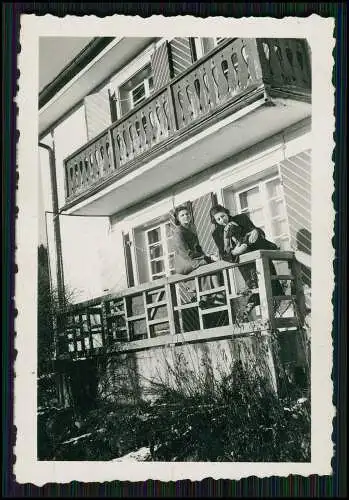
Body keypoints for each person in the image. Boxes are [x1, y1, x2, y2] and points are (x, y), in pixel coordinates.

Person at [210, 204, 283, 320]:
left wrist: (256, 231)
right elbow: (223, 253)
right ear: (215, 221)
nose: (222, 220)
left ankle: (272, 315)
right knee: (255, 287)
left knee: (273, 285)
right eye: (218, 219)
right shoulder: (217, 233)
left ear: (226, 212)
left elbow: (256, 231)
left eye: (223, 216)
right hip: (245, 263)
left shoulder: (241, 218)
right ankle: (249, 312)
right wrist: (235, 252)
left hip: (259, 254)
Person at [172, 204, 221, 308]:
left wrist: (207, 255)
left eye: (187, 214)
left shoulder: (191, 228)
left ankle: (213, 295)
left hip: (192, 259)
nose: (186, 216)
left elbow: (197, 248)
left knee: (211, 262)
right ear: (178, 219)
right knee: (208, 262)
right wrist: (206, 257)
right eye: (182, 215)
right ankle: (216, 294)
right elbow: (186, 253)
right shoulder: (178, 231)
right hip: (184, 262)